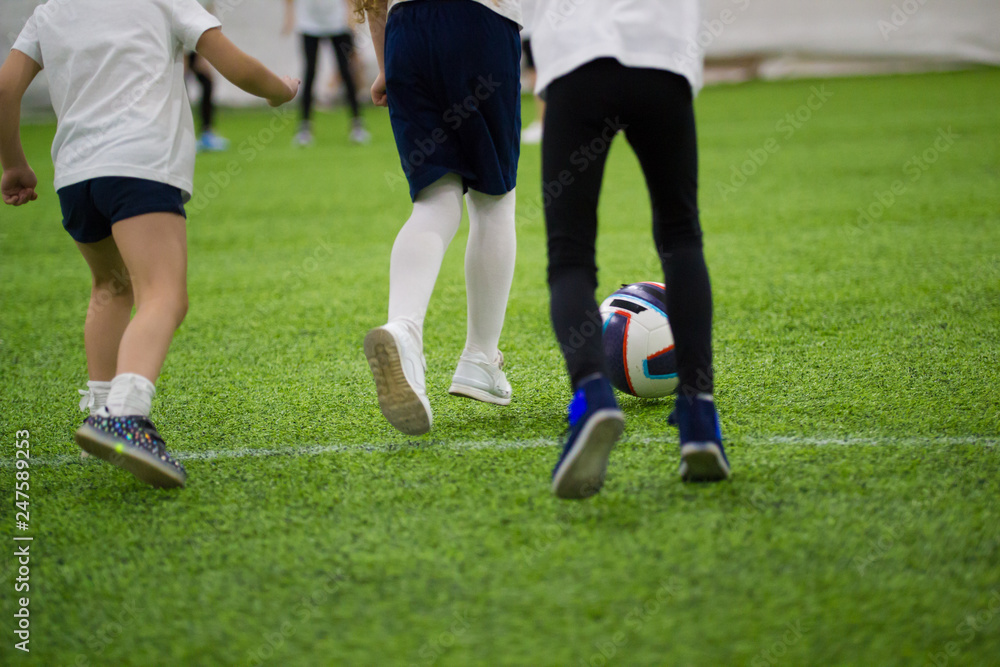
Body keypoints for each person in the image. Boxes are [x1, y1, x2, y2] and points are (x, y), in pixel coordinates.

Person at [0, 0, 299, 488]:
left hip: (75, 177)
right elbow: (234, 65)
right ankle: (125, 415)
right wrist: (279, 91)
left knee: (110, 288)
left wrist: (13, 164)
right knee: (164, 295)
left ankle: (100, 412)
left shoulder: (49, 10)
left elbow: (5, 87)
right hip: (138, 165)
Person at [532, 0, 732, 499]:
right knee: (682, 235)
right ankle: (699, 414)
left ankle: (592, 397)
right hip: (662, 57)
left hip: (576, 58)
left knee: (570, 255)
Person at [354, 0, 522, 435]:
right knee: (494, 201)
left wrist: (386, 63)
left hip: (405, 31)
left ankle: (404, 329)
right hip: (480, 24)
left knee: (434, 201)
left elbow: (372, 3)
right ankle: (480, 359)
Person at [284, 0, 371, 145]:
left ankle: (357, 124)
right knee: (310, 73)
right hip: (309, 24)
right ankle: (304, 127)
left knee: (346, 72)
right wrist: (289, 16)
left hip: (338, 23)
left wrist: (351, 19)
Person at [188, 0, 230, 152]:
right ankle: (182, 137)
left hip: (193, 46)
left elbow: (208, 20)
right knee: (179, 90)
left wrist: (202, 56)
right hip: (175, 48)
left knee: (207, 83)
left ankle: (207, 133)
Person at [518, 0, 544, 145]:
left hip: (536, 28)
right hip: (528, 28)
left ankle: (541, 122)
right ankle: (540, 122)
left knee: (537, 73)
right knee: (533, 72)